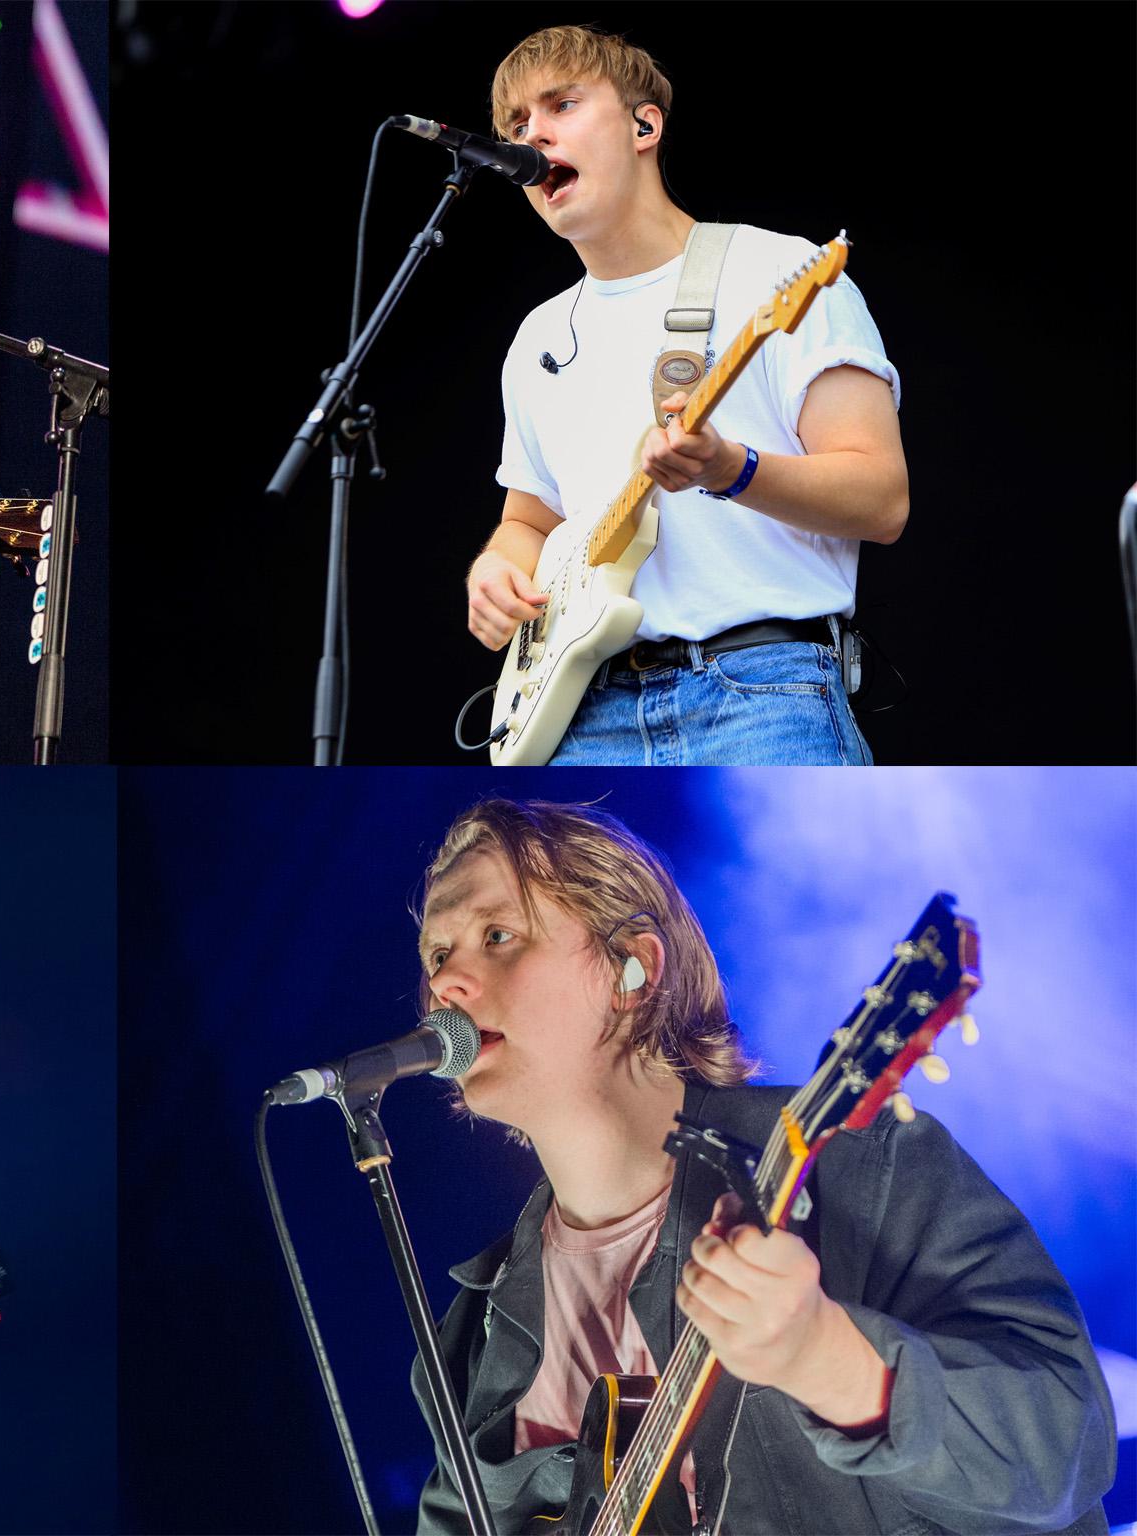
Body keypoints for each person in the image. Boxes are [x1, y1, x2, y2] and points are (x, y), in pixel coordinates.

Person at [408, 800, 1113, 1533]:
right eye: (436, 954)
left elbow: (1070, 1443)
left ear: (634, 969)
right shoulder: (470, 1338)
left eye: (497, 936)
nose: (447, 983)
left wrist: (828, 1360)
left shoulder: (861, 1169)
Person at [464, 26, 909, 765]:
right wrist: (494, 570)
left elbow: (882, 498)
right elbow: (529, 522)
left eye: (562, 105)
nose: (532, 133)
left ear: (645, 124)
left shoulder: (779, 269)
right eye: (515, 124)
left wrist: (729, 468)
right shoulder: (536, 337)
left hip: (761, 694)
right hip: (583, 712)